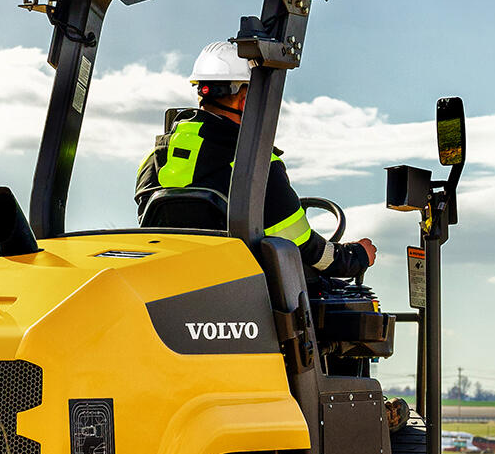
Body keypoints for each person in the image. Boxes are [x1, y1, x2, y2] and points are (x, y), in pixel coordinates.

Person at [136, 40, 374, 279]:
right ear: (246, 100)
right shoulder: (255, 165)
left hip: (168, 289)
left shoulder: (155, 159)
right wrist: (356, 256)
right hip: (237, 295)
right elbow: (304, 247)